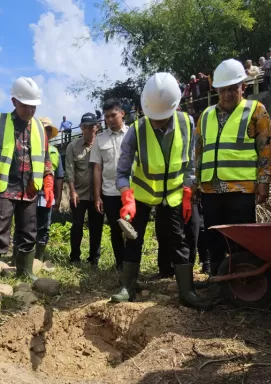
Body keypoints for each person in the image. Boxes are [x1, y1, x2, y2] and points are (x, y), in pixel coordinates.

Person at [111, 72, 211, 310]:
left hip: (174, 194)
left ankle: (186, 290)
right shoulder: (136, 131)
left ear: (174, 107)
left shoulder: (187, 124)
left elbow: (190, 164)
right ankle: (128, 287)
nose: (158, 122)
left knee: (178, 240)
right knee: (133, 240)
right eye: (154, 117)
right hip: (143, 194)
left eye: (163, 117)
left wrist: (188, 191)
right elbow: (122, 172)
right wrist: (127, 197)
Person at [197, 59, 271, 276]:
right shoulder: (206, 115)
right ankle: (217, 280)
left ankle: (242, 279)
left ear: (243, 87)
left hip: (241, 188)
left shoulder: (256, 110)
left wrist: (263, 181)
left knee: (241, 240)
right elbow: (198, 152)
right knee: (214, 238)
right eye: (223, 90)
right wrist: (195, 185)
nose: (227, 95)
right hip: (210, 188)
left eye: (232, 89)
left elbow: (265, 149)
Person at [0, 77, 54, 289]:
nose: (30, 111)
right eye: (26, 106)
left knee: (29, 231)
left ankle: (26, 270)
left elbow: (45, 157)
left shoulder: (38, 126)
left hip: (29, 189)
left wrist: (48, 180)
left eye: (33, 107)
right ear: (14, 102)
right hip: (4, 188)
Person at [91, 99, 129, 270]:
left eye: (113, 115)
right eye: (107, 117)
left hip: (131, 191)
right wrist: (98, 196)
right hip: (110, 192)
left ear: (122, 113)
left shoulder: (132, 134)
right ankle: (121, 262)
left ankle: (132, 262)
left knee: (133, 228)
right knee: (116, 229)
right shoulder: (100, 139)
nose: (110, 119)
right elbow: (97, 169)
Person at [65, 113, 104, 266]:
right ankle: (74, 257)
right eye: (84, 127)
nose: (88, 130)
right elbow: (69, 170)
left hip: (98, 195)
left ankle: (94, 258)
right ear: (81, 128)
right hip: (79, 195)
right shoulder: (72, 146)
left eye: (91, 127)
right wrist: (73, 191)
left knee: (96, 227)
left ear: (97, 127)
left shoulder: (101, 144)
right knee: (77, 226)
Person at [29, 117, 64, 264]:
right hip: (29, 193)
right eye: (44, 129)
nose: (46, 132)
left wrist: (58, 197)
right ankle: (23, 257)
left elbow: (60, 176)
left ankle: (39, 258)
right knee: (27, 224)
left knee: (44, 226)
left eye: (48, 130)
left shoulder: (55, 152)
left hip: (46, 195)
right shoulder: (28, 147)